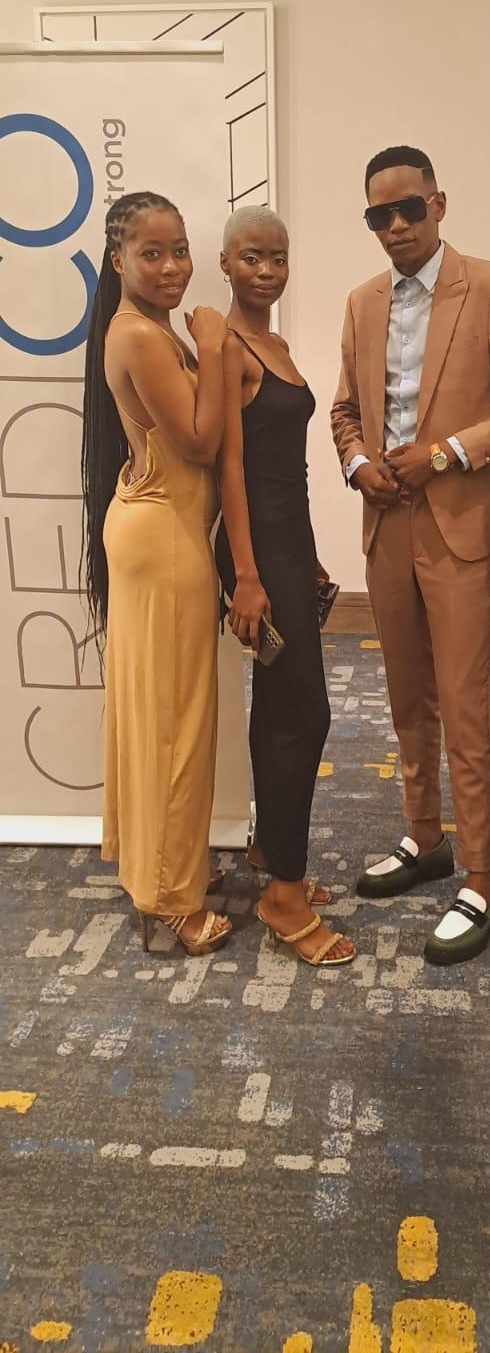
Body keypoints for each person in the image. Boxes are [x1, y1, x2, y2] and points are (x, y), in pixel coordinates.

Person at [331, 146, 490, 965]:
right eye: (378, 215)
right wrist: (358, 463)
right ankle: (424, 837)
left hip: (457, 522)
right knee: (406, 696)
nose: (394, 226)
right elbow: (345, 411)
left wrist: (448, 452)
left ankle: (482, 877)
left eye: (408, 209)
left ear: (439, 203)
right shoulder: (361, 302)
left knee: (464, 705)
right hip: (385, 523)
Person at [81, 191, 231, 957]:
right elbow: (201, 442)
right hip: (165, 538)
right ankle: (172, 899)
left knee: (158, 711)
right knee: (176, 719)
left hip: (160, 528)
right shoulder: (142, 335)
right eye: (152, 253)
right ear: (119, 260)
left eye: (180, 250)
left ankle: (160, 869)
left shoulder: (147, 328)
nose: (172, 267)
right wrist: (217, 348)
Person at [215, 206, 355, 968]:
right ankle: (286, 898)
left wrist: (307, 555)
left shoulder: (277, 345)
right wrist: (247, 573)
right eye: (251, 258)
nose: (266, 271)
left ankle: (273, 853)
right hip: (255, 548)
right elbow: (230, 468)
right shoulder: (227, 346)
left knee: (278, 706)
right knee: (306, 712)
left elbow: (285, 468)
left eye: (277, 258)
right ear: (225, 263)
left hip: (285, 539)